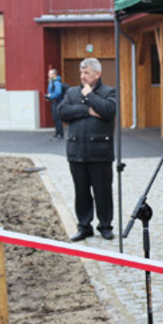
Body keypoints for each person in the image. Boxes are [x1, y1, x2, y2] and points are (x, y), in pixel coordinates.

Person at [58, 58, 117, 242]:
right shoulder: (72, 92)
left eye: (87, 73)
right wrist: (86, 110)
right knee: (81, 193)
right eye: (81, 72)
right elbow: (62, 112)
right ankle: (84, 227)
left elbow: (108, 110)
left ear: (97, 74)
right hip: (76, 152)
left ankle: (105, 226)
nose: (82, 76)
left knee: (103, 192)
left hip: (100, 153)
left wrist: (90, 96)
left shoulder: (109, 92)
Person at [46, 68, 65, 140]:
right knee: (55, 118)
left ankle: (60, 134)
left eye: (50, 73)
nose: (48, 75)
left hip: (57, 102)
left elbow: (58, 92)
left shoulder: (56, 82)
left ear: (54, 74)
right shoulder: (52, 81)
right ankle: (57, 133)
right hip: (53, 102)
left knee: (57, 118)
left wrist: (50, 96)